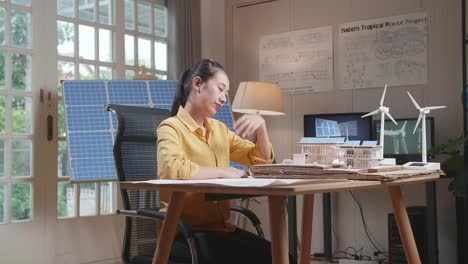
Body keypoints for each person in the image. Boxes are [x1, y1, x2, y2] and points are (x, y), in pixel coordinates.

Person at [157, 59, 280, 264]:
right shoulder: (170, 127)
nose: (224, 98)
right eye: (221, 89)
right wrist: (223, 171)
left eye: (227, 93)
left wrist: (261, 128)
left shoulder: (219, 129)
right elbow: (172, 169)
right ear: (198, 84)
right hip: (183, 234)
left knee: (284, 257)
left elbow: (260, 161)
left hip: (220, 229)